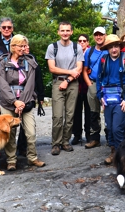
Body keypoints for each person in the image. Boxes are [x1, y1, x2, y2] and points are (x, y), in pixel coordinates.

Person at [0, 34, 46, 170]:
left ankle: (32, 158)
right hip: (8, 103)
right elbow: (2, 84)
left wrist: (22, 102)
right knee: (10, 133)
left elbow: (30, 84)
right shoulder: (3, 62)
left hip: (26, 101)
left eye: (25, 46)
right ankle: (11, 160)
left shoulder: (30, 62)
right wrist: (14, 102)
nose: (24, 48)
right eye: (21, 46)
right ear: (13, 47)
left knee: (30, 132)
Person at [96, 34, 125, 165]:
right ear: (107, 48)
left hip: (121, 98)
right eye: (111, 47)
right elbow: (98, 79)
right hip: (107, 98)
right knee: (109, 127)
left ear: (120, 47)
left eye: (116, 46)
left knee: (117, 128)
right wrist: (100, 96)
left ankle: (121, 155)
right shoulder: (103, 60)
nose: (114, 49)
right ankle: (113, 151)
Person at [45, 21, 84, 155]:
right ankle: (56, 143)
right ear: (58, 32)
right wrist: (69, 73)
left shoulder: (77, 47)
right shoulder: (52, 47)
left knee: (70, 115)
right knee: (57, 116)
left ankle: (65, 142)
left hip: (72, 83)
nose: (65, 33)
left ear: (71, 32)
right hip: (57, 83)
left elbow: (79, 68)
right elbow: (52, 68)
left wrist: (67, 80)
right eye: (62, 30)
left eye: (68, 30)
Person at [16, 42, 46, 157]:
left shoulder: (32, 60)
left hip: (30, 96)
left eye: (28, 45)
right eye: (23, 46)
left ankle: (23, 147)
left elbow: (39, 79)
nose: (26, 48)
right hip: (15, 97)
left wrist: (41, 96)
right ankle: (10, 152)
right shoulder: (12, 60)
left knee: (27, 125)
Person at [81, 27, 108, 149]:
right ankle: (94, 138)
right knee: (93, 112)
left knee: (109, 111)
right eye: (96, 35)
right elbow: (85, 70)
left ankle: (110, 138)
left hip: (107, 85)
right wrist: (89, 84)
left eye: (101, 34)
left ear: (105, 35)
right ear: (93, 36)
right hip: (93, 83)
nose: (98, 37)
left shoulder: (109, 49)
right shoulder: (89, 51)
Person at [71, 34, 92, 146]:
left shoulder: (91, 52)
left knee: (89, 112)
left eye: (84, 41)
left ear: (88, 42)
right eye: (80, 41)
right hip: (76, 85)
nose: (82, 43)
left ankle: (89, 134)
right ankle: (77, 135)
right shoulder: (74, 53)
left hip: (88, 86)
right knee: (76, 112)